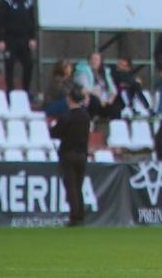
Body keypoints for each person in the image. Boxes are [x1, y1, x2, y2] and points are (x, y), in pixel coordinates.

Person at [49, 87, 91, 226]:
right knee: (78, 185)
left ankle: (74, 216)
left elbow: (55, 133)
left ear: (69, 99)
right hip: (82, 154)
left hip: (68, 153)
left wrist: (52, 128)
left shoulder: (67, 116)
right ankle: (80, 213)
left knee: (71, 186)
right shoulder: (85, 116)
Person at [0, 0, 37, 95]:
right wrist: (0, 39)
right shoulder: (6, 2)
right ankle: (10, 92)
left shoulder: (28, 2)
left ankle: (26, 91)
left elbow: (32, 21)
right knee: (9, 66)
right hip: (10, 39)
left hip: (24, 39)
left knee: (29, 64)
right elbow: (0, 22)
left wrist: (32, 38)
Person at [73, 51, 116, 120]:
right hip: (89, 99)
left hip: (104, 100)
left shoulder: (105, 73)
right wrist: (100, 99)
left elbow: (113, 91)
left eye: (97, 59)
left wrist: (109, 101)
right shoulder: (82, 71)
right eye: (92, 59)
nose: (94, 61)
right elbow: (85, 88)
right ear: (89, 60)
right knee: (95, 101)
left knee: (115, 107)